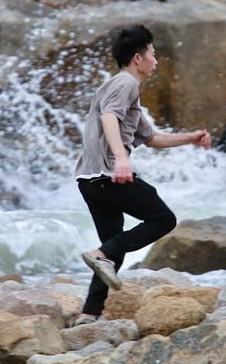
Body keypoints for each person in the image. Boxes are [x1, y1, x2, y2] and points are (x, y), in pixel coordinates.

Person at [73, 24, 212, 325]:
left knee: (113, 246)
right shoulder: (126, 83)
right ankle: (99, 255)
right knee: (163, 219)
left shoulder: (119, 88)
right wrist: (121, 158)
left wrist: (191, 138)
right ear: (138, 58)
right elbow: (109, 117)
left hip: (89, 180)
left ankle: (89, 313)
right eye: (153, 54)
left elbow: (153, 139)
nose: (156, 60)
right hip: (109, 175)